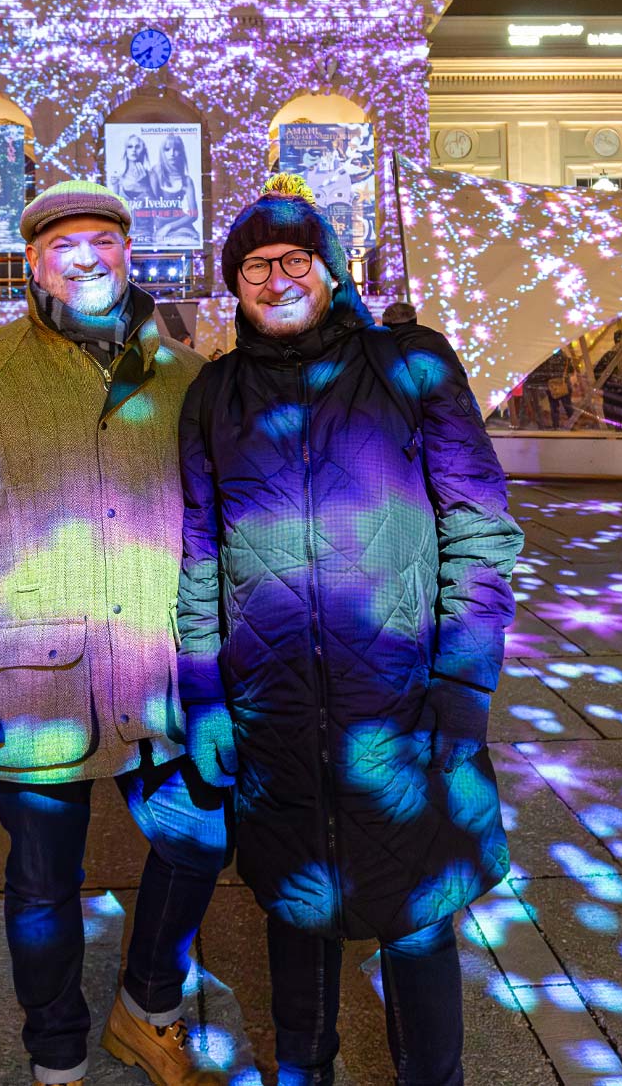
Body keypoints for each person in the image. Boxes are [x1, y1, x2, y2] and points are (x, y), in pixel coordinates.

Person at [0, 180, 229, 1086]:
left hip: (162, 671)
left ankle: (146, 1004)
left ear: (128, 250)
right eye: (61, 245)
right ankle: (57, 1051)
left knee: (197, 839)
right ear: (33, 264)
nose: (83, 259)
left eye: (101, 241)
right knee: (41, 887)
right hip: (32, 680)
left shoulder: (187, 379)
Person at [177, 173, 521, 1086]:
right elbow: (199, 553)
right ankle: (305, 1071)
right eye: (254, 265)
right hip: (272, 708)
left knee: (415, 908)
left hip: (399, 696)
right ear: (235, 284)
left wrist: (464, 677)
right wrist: (205, 694)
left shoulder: (409, 365)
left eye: (295, 257)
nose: (276, 276)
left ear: (330, 268)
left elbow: (479, 527)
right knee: (297, 903)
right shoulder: (214, 398)